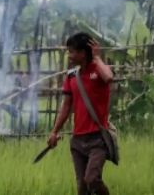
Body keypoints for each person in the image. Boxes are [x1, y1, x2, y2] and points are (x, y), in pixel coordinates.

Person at [47, 32, 114, 195]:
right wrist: (54, 131)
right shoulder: (71, 76)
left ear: (83, 53)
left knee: (91, 179)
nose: (69, 56)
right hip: (78, 141)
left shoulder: (99, 71)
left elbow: (109, 77)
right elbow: (66, 107)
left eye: (72, 51)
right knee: (82, 188)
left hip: (97, 139)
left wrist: (97, 57)